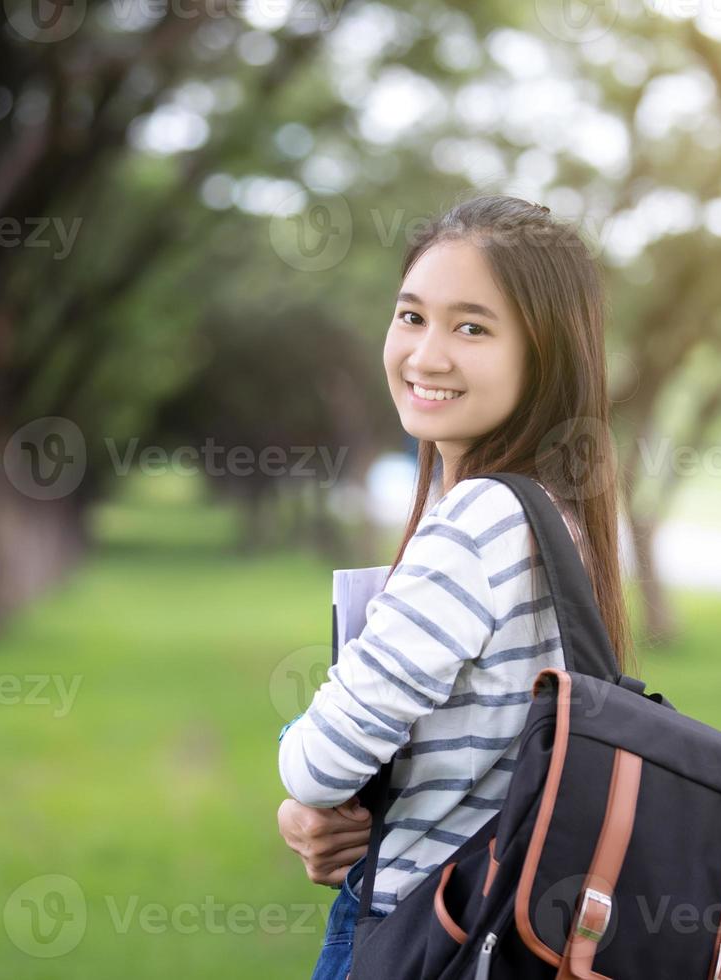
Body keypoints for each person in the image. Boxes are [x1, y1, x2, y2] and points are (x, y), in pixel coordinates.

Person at [275, 193, 633, 980]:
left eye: (471, 327)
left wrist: (299, 790)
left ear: (545, 354)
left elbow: (317, 762)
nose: (426, 355)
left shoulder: (480, 520)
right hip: (503, 939)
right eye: (411, 317)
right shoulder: (558, 517)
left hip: (423, 938)